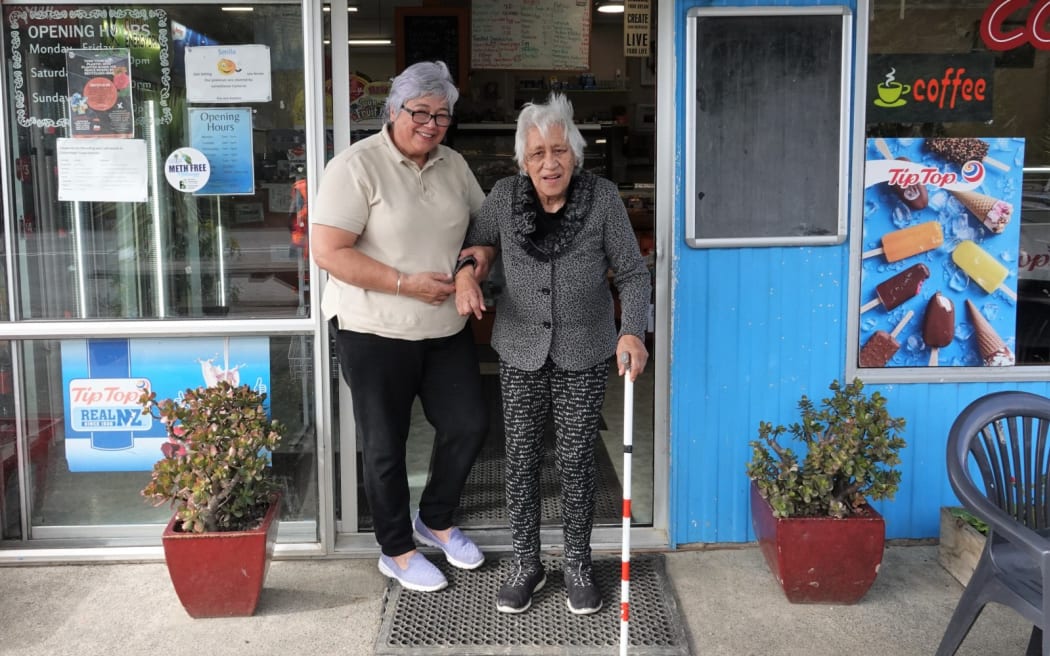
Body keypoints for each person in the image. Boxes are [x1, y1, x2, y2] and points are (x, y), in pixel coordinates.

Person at [454, 93, 651, 615]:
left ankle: (579, 565)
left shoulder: (603, 198)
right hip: (519, 350)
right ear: (523, 159)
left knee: (577, 460)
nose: (549, 162)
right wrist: (465, 276)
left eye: (559, 150)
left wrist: (632, 332)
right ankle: (526, 564)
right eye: (538, 152)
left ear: (575, 153)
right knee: (519, 461)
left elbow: (632, 272)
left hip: (585, 351)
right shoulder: (502, 196)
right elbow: (474, 248)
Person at [312, 61, 488, 593]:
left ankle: (434, 518)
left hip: (444, 327)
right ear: (393, 110)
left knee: (468, 423)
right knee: (385, 445)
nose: (431, 124)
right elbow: (328, 252)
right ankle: (397, 550)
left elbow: (484, 233)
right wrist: (402, 283)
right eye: (420, 112)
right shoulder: (355, 166)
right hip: (373, 328)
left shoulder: (454, 166)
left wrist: (467, 272)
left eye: (442, 116)